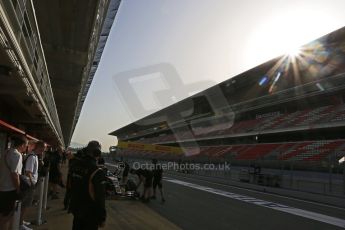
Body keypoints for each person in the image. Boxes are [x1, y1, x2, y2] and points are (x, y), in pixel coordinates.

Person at [69, 141, 106, 230]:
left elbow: (70, 185)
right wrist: (102, 217)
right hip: (90, 214)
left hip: (76, 209)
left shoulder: (74, 165)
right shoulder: (97, 171)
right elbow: (100, 198)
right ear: (97, 153)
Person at [0, 135, 27, 230]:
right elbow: (15, 175)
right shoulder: (17, 155)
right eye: (26, 145)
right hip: (10, 189)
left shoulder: (6, 152)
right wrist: (18, 189)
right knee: (7, 217)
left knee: (3, 214)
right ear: (23, 145)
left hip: (2, 187)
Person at [20, 141, 45, 230]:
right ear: (39, 147)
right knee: (25, 204)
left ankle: (21, 221)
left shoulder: (34, 156)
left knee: (25, 204)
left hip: (28, 183)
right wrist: (32, 184)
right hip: (28, 184)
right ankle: (20, 224)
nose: (43, 151)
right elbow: (28, 172)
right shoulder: (32, 157)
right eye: (43, 148)